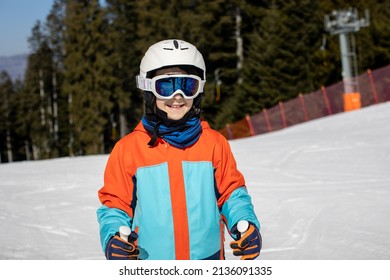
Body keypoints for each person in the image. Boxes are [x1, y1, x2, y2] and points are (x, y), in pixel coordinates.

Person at [96, 39, 261, 260]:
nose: (178, 96)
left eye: (187, 85)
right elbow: (115, 204)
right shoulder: (128, 150)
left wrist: (246, 223)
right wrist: (114, 236)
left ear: (198, 90)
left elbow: (232, 193)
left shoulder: (214, 144)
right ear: (148, 90)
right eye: (166, 86)